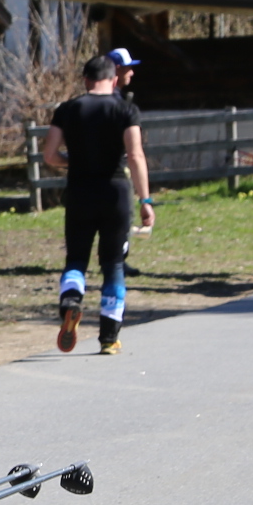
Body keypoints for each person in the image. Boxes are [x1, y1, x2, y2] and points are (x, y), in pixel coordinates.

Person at [42, 50, 154, 353]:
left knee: (76, 258)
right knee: (113, 263)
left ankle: (71, 301)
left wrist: (74, 161)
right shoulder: (126, 109)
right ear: (114, 79)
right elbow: (135, 155)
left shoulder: (67, 109)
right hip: (115, 192)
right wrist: (145, 199)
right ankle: (108, 337)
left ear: (85, 80)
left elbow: (49, 155)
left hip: (80, 191)